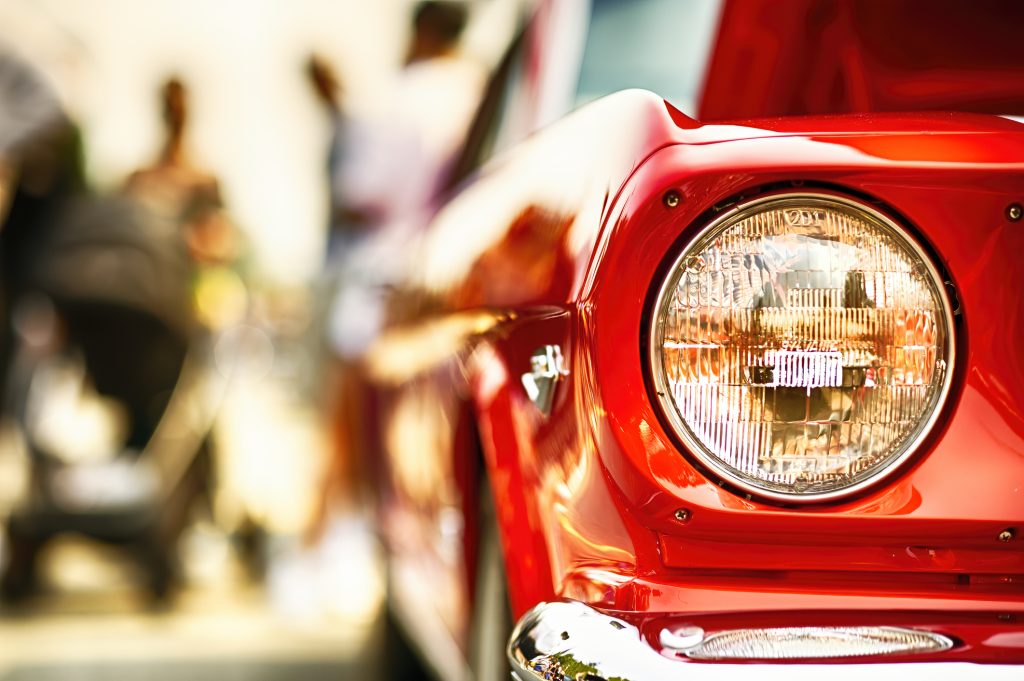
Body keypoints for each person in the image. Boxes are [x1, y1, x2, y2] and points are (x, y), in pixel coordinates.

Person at [312, 0, 486, 532]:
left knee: (362, 439)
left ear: (422, 31)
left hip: (384, 287)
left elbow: (359, 197)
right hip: (466, 278)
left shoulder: (400, 96)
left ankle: (357, 537)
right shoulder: (485, 88)